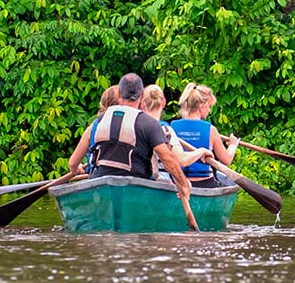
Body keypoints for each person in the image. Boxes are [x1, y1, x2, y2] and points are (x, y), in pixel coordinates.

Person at [66, 73, 191, 201]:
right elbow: (167, 158)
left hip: (100, 188)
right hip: (135, 190)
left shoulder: (98, 122)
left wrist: (77, 170)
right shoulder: (150, 124)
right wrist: (183, 184)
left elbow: (72, 163)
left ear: (119, 93)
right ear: (142, 96)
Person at [169, 82, 239, 186]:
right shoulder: (211, 130)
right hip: (204, 182)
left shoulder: (172, 127)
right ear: (202, 106)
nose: (209, 110)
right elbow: (227, 160)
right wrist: (233, 145)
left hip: (178, 182)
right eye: (209, 106)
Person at [143, 84, 220, 176]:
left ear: (142, 103)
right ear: (163, 103)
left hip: (139, 176)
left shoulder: (134, 125)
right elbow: (182, 160)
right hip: (162, 181)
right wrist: (201, 151)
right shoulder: (166, 130)